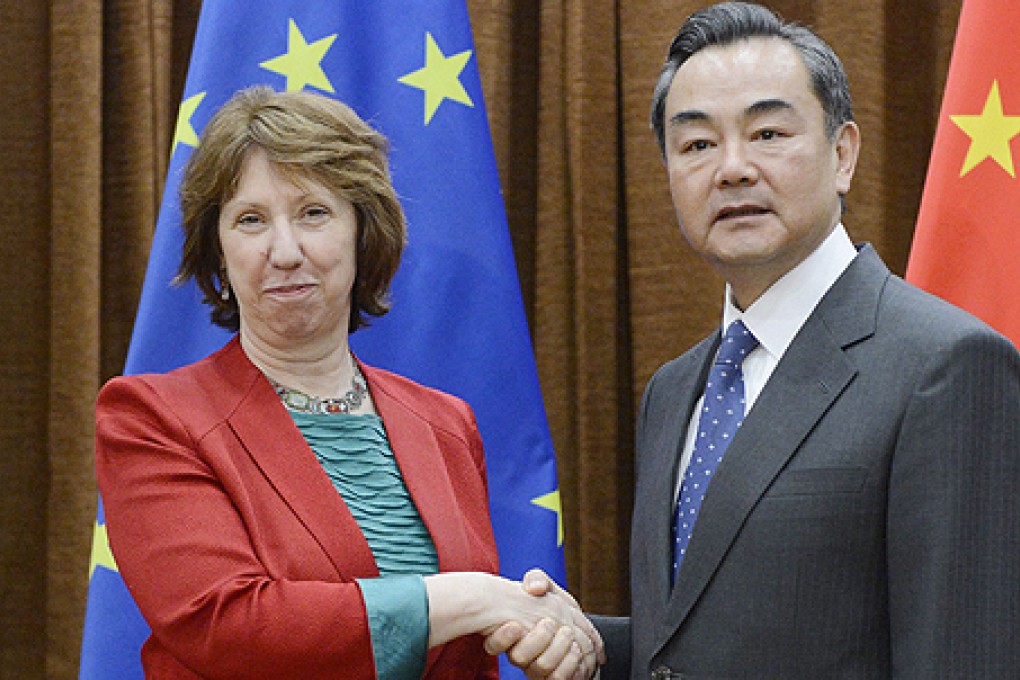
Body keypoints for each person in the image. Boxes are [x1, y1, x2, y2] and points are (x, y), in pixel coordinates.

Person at [494, 2, 1020, 677]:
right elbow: (700, 641)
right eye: (697, 144)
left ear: (843, 154)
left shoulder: (945, 366)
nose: (732, 168)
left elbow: (963, 653)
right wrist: (584, 643)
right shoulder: (673, 390)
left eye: (767, 133)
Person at [95, 85, 603, 680]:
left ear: (363, 235)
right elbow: (227, 627)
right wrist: (476, 598)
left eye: (313, 212)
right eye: (251, 220)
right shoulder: (153, 418)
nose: (285, 251)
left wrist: (542, 644)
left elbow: (467, 660)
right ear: (219, 254)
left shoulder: (446, 424)